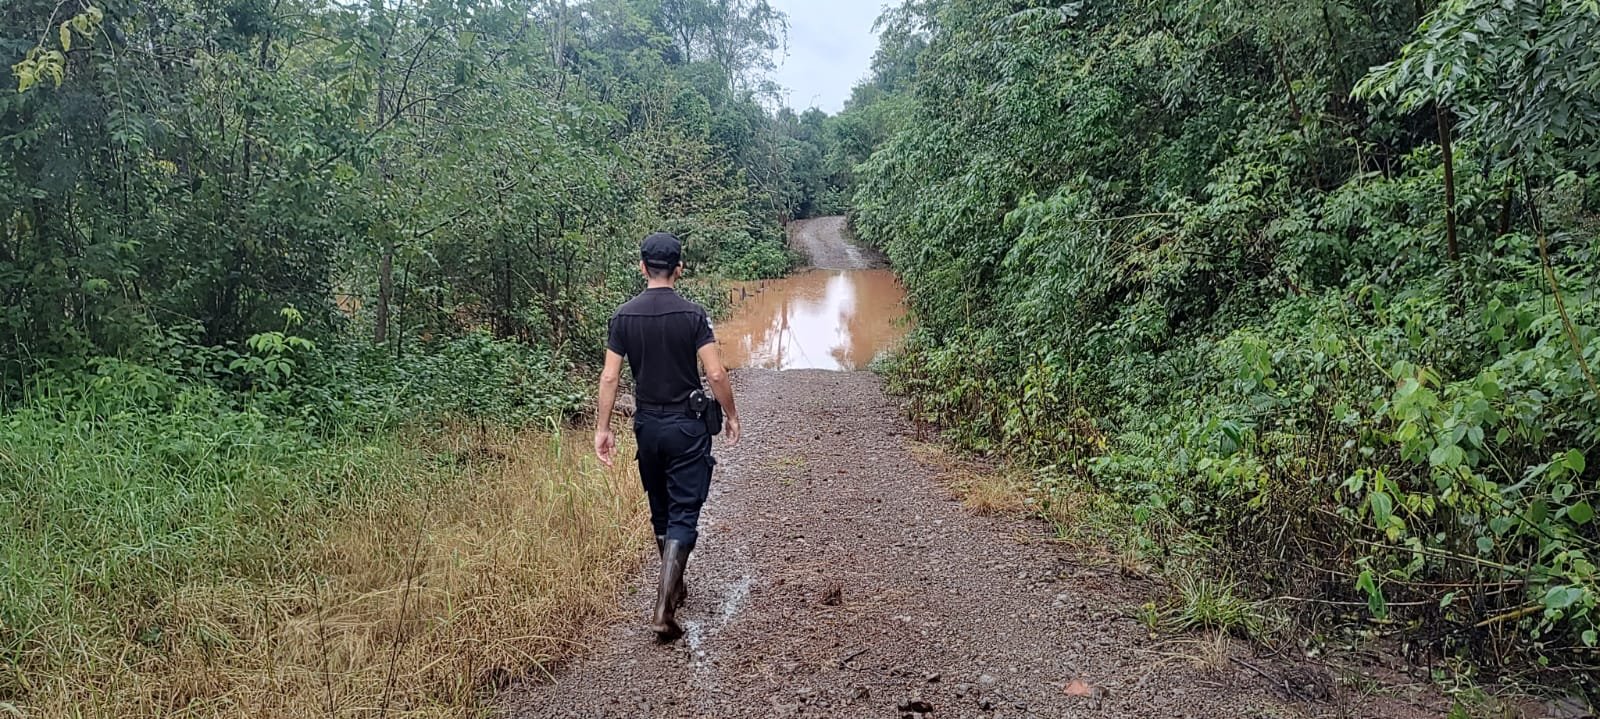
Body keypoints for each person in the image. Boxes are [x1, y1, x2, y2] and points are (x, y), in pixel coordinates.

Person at [594, 231, 740, 642]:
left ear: (642, 267)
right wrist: (731, 414)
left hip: (648, 427)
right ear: (679, 269)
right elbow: (715, 372)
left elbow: (610, 377)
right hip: (686, 427)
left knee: (660, 510)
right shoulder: (693, 315)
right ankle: (663, 610)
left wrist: (603, 428)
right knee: (684, 513)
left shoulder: (623, 317)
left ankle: (674, 588)